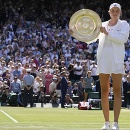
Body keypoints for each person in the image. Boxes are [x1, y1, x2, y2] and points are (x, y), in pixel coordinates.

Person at [97, 3, 130, 130]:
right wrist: (75, 33)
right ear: (109, 12)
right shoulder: (103, 24)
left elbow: (123, 39)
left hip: (117, 60)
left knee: (117, 91)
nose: (115, 12)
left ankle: (115, 123)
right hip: (103, 59)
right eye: (113, 11)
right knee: (104, 91)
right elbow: (90, 37)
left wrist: (107, 33)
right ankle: (106, 123)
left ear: (120, 12)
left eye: (117, 11)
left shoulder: (124, 25)